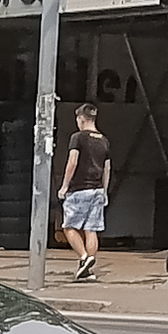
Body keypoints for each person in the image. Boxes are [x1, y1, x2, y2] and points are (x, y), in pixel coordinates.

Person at [58, 104, 111, 281]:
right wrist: (104, 190)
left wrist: (64, 186)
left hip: (79, 190)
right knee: (91, 229)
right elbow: (107, 168)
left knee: (68, 227)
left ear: (81, 119)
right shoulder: (104, 140)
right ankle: (87, 269)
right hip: (97, 190)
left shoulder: (78, 138)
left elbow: (72, 161)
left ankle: (84, 257)